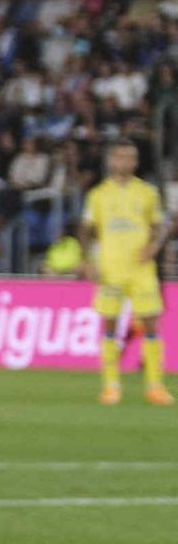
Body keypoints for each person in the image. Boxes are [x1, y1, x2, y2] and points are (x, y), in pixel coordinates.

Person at [78, 140, 170, 406]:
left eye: (129, 157)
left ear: (136, 162)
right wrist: (88, 261)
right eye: (119, 157)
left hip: (141, 269)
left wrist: (153, 246)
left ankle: (154, 386)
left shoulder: (147, 193)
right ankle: (111, 387)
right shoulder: (98, 195)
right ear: (110, 161)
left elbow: (160, 225)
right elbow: (86, 228)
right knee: (109, 325)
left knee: (151, 323)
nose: (124, 162)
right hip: (110, 268)